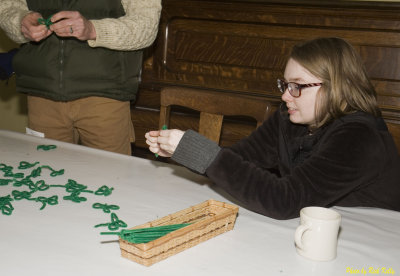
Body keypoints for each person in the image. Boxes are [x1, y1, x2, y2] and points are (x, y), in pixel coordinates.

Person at [145, 37, 400, 220]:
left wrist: (199, 153)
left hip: (369, 240)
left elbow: (284, 200)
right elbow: (238, 160)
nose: (287, 96)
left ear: (337, 87)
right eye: (286, 85)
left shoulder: (358, 138)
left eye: (297, 86)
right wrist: (185, 151)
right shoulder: (290, 118)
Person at [0, 0, 162, 155]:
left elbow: (147, 25)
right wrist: (20, 21)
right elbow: (7, 6)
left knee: (110, 178)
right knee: (44, 177)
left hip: (105, 95)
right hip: (42, 93)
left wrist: (94, 29)